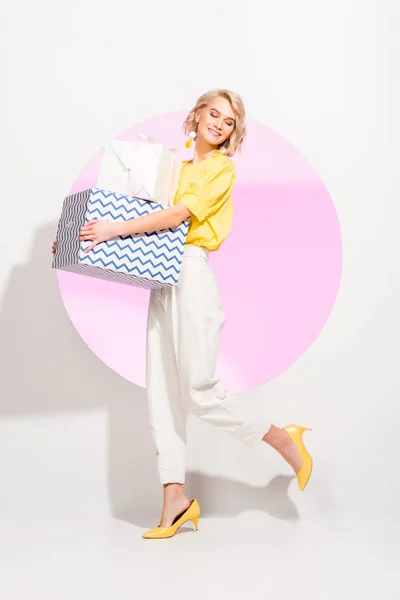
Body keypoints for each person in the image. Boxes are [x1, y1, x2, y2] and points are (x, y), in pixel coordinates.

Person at [53, 89, 313, 540]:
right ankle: (175, 499)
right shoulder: (171, 167)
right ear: (195, 116)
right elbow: (136, 215)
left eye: (229, 121)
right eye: (213, 114)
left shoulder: (221, 169)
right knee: (163, 394)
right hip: (161, 277)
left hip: (192, 274)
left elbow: (174, 217)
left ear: (233, 133)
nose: (219, 124)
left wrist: (111, 228)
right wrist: (79, 239)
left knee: (197, 388)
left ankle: (282, 437)